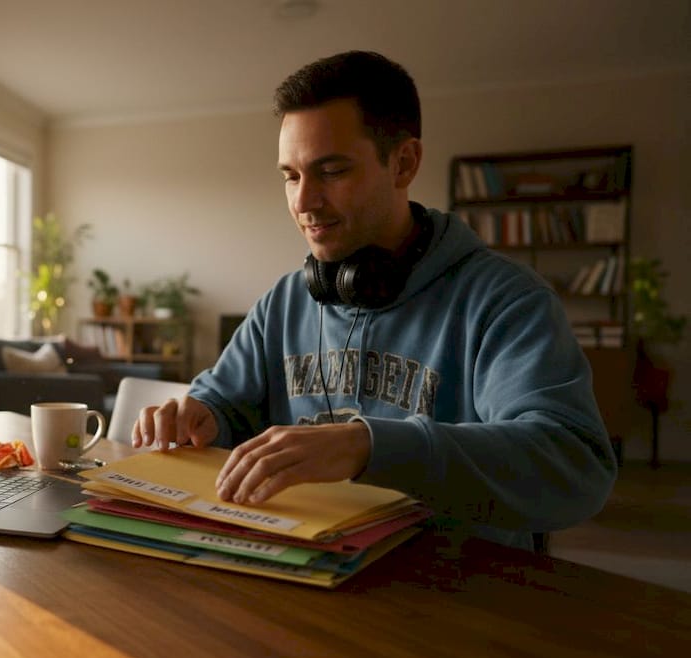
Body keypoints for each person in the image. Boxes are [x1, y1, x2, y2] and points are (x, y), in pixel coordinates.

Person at [132, 50, 615, 550]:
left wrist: (371, 445)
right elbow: (225, 404)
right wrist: (202, 419)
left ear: (403, 162)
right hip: (298, 576)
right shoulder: (284, 302)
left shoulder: (506, 300)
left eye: (332, 171)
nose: (303, 203)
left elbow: (575, 469)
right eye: (291, 176)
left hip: (452, 600)